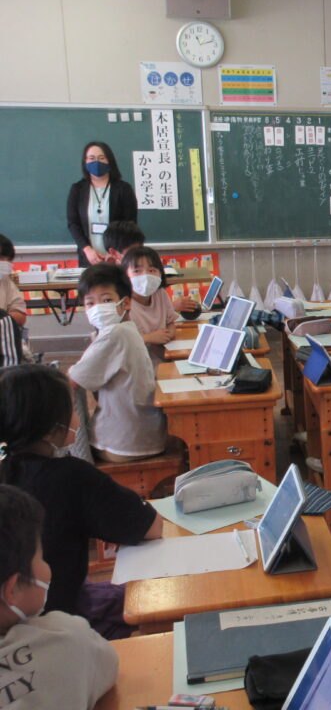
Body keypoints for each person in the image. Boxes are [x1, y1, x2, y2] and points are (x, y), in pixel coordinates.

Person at [0, 364, 161, 638]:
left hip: (19, 616)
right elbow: (150, 527)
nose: (77, 417)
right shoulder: (71, 476)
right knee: (154, 606)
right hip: (62, 618)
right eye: (72, 409)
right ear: (52, 426)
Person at [0, 484, 119, 709]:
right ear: (12, 590)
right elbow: (108, 665)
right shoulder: (65, 638)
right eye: (41, 558)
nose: (47, 567)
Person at [69, 263, 167, 462]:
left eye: (106, 300)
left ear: (126, 303)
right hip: (143, 435)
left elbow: (73, 380)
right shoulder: (127, 328)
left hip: (124, 444)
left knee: (64, 452)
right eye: (90, 303)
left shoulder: (114, 334)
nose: (98, 308)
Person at [101, 220, 199, 315]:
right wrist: (171, 307)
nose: (138, 254)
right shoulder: (110, 284)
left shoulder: (155, 288)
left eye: (141, 247)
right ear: (114, 253)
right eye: (137, 270)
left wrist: (168, 308)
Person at [66, 142, 137, 267]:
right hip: (89, 258)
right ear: (85, 162)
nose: (96, 162)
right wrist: (87, 250)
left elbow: (130, 224)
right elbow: (73, 224)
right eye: (91, 158)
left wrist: (115, 252)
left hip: (117, 258)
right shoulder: (77, 189)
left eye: (101, 158)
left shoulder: (123, 189)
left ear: (109, 160)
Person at [122, 246, 177, 366]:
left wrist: (170, 333)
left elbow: (170, 322)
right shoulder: (122, 304)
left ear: (160, 273)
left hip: (164, 356)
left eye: (152, 270)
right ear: (125, 274)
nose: (145, 276)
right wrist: (148, 338)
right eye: (137, 271)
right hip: (136, 364)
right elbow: (120, 342)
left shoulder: (160, 293)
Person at [0, 233, 27, 327]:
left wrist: (5, 320)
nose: (4, 263)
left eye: (8, 260)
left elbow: (20, 314)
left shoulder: (5, 281)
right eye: (1, 258)